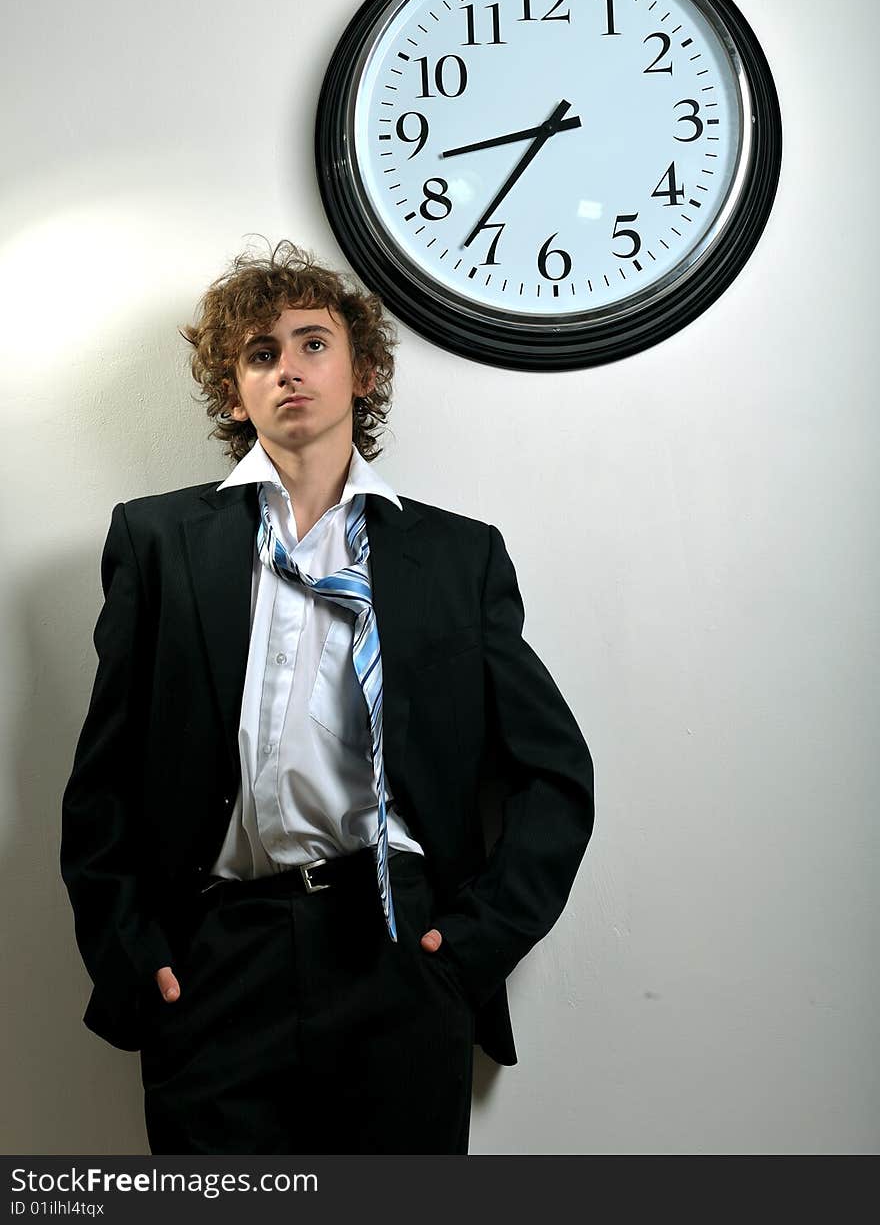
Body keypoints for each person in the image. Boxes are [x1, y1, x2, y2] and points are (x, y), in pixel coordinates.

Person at [60, 239, 595, 1155]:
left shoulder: (456, 559)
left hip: (393, 947)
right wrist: (131, 949)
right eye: (260, 354)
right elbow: (103, 778)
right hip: (213, 958)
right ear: (236, 395)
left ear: (365, 371)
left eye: (313, 343)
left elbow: (555, 776)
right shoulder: (159, 543)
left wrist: (467, 946)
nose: (288, 369)